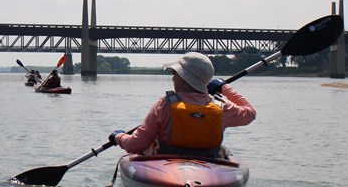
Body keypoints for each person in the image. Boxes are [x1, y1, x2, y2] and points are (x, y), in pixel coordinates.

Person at [109, 52, 256, 158]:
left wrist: (119, 137)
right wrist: (224, 87)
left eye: (175, 73)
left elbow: (136, 145)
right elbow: (250, 113)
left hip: (166, 166)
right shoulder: (221, 106)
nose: (173, 78)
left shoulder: (164, 105)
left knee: (148, 147)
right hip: (209, 165)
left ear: (183, 78)